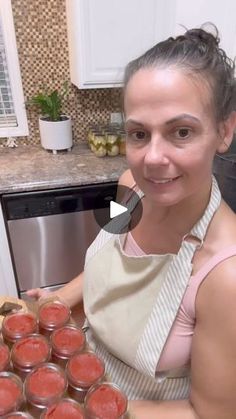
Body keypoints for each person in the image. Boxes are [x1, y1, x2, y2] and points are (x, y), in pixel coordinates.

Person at [27, 24, 236, 418]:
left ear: (224, 131)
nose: (153, 159)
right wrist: (57, 302)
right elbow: (110, 267)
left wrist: (86, 408)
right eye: (139, 134)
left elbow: (211, 413)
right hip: (76, 372)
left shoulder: (224, 276)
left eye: (181, 131)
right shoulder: (129, 189)